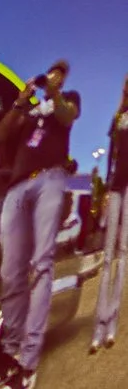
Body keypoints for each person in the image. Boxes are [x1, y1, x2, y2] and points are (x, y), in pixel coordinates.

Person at [0, 59, 80, 385]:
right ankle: (10, 352)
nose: (53, 77)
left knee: (42, 263)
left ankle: (28, 362)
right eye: (51, 73)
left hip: (50, 179)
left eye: (59, 73)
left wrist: (56, 92)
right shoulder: (29, 110)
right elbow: (2, 134)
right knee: (10, 270)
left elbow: (67, 116)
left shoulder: (68, 96)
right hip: (18, 184)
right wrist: (22, 99)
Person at [96, 75, 128, 354]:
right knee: (108, 256)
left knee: (123, 251)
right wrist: (106, 187)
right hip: (116, 185)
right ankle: (99, 325)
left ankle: (113, 323)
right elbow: (111, 157)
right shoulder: (118, 118)